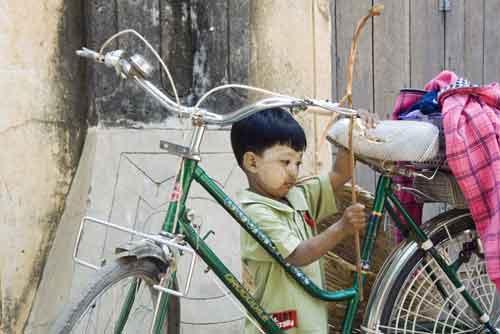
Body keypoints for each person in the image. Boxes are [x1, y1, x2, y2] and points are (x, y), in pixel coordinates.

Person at [231, 107, 375, 334]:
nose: (293, 172)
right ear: (252, 162)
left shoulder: (297, 196)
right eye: (285, 162)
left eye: (297, 163)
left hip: (309, 323)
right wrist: (342, 228)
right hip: (280, 325)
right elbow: (298, 255)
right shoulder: (255, 212)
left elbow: (340, 174)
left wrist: (352, 130)